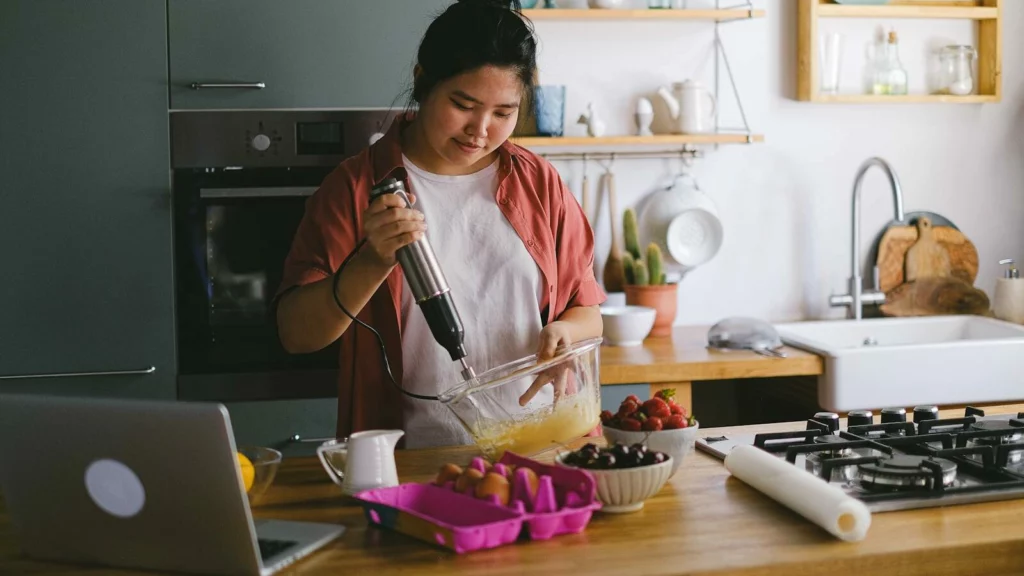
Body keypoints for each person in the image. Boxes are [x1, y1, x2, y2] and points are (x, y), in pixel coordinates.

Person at [274, 0, 605, 448]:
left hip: (545, 444)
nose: (480, 130)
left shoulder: (538, 183)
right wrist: (373, 260)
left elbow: (588, 314)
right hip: (415, 458)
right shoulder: (355, 189)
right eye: (462, 104)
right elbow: (296, 334)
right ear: (422, 80)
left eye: (503, 112)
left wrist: (565, 335)